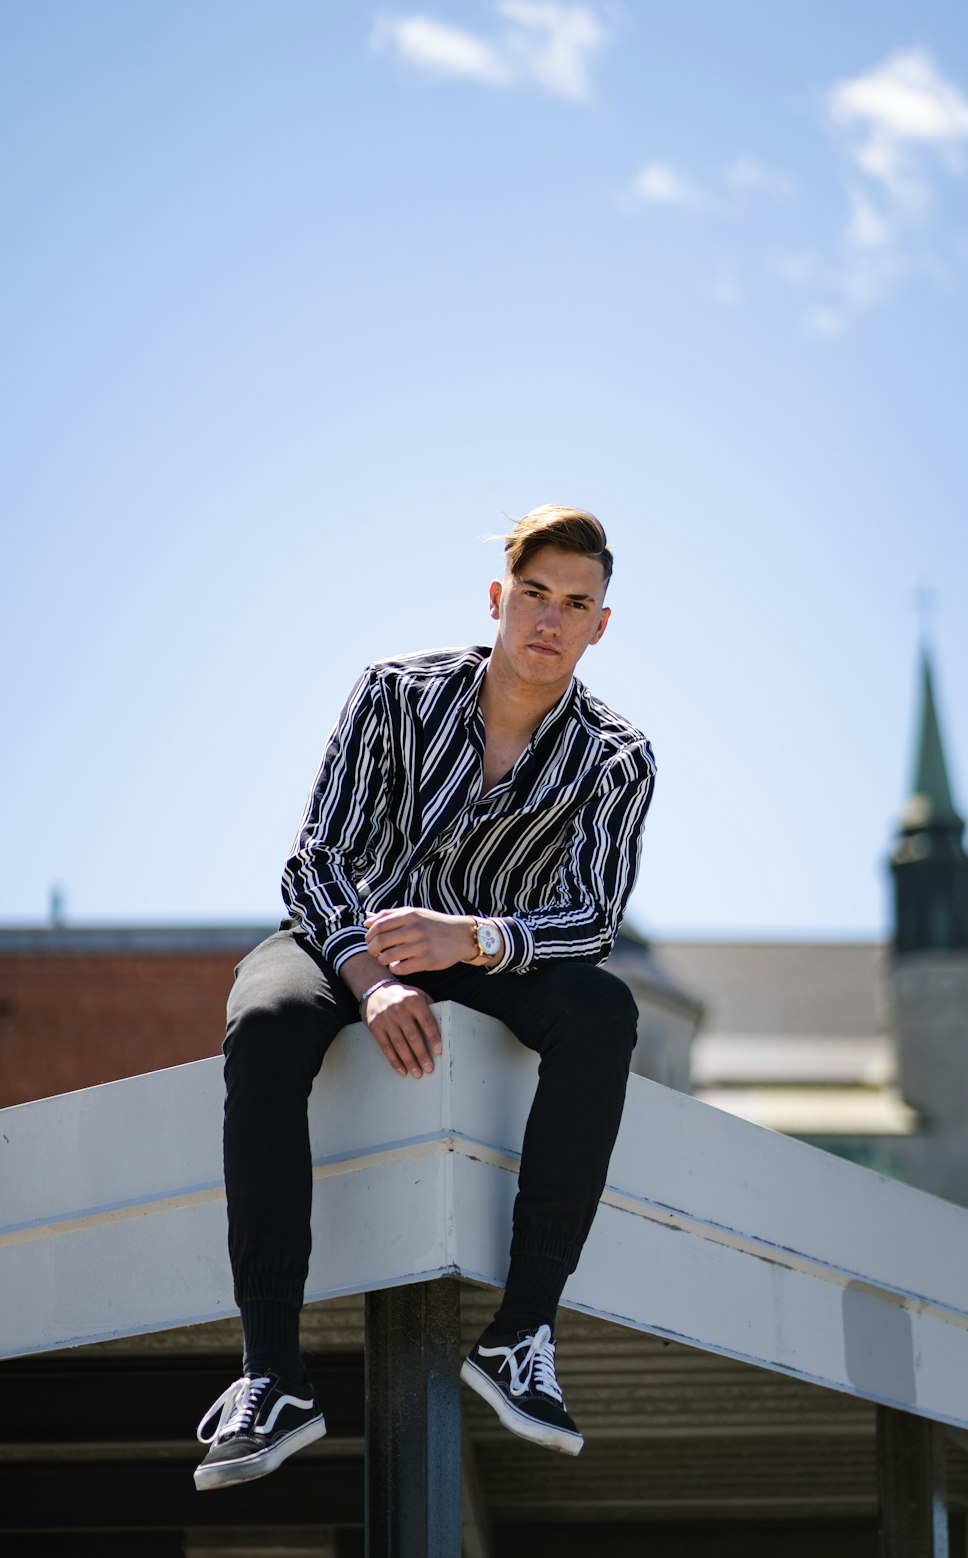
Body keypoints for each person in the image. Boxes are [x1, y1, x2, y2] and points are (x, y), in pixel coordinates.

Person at [194, 504, 656, 1491]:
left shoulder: (616, 757)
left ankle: (522, 1333)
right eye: (534, 595)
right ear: (500, 597)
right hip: (347, 938)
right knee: (268, 1018)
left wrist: (475, 938)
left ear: (599, 626)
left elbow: (592, 920)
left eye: (575, 604)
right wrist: (369, 978)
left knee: (605, 1013)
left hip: (495, 959)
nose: (549, 619)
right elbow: (317, 860)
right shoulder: (396, 693)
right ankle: (271, 1375)